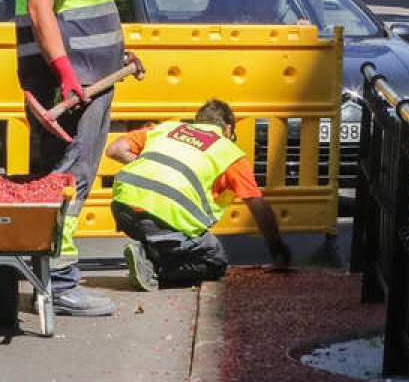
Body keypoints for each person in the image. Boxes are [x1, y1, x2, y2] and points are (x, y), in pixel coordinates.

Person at [15, 0, 132, 316]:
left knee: (68, 177)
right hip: (70, 86)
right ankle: (60, 284)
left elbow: (84, 14)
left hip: (90, 79)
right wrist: (65, 71)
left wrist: (113, 56)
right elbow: (42, 7)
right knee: (68, 179)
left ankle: (48, 277)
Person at [106, 99, 291, 291]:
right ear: (227, 130)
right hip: (164, 218)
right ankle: (152, 266)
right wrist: (278, 251)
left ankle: (150, 251)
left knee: (168, 232)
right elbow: (258, 206)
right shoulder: (228, 152)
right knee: (214, 263)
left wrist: (150, 169)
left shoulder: (167, 129)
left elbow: (115, 150)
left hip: (123, 207)